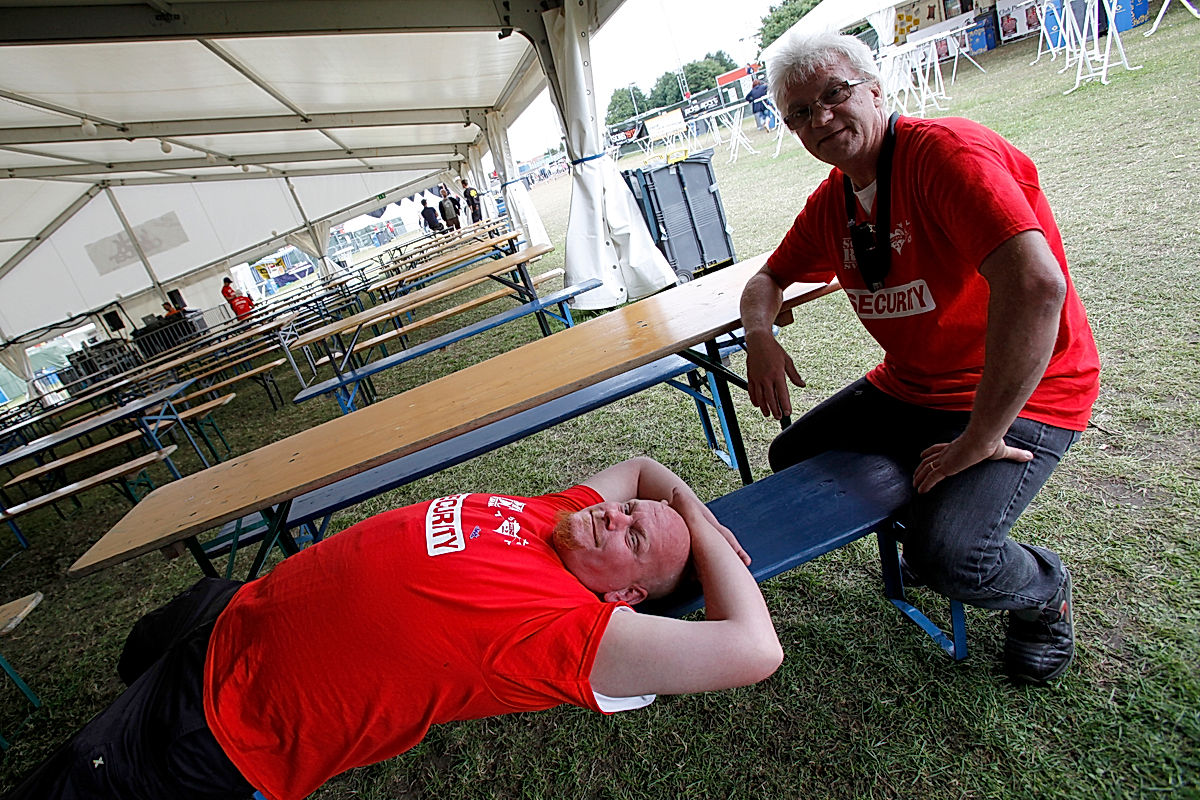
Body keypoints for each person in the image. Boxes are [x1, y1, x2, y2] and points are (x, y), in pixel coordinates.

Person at [3, 457, 781, 800]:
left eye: (632, 537)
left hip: (216, 729)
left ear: (629, 597)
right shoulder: (557, 517)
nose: (612, 513)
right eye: (624, 510)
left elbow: (754, 649)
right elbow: (644, 464)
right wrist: (685, 508)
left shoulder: (569, 633)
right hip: (224, 619)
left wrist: (703, 539)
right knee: (139, 650)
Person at [740, 31, 1100, 686]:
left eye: (834, 94)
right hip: (914, 388)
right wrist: (759, 333)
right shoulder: (837, 200)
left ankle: (1044, 592)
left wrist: (979, 438)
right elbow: (767, 280)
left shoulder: (945, 155)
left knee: (952, 558)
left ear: (877, 91)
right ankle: (928, 516)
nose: (819, 118)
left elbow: (1038, 286)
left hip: (1030, 392)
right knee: (794, 458)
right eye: (798, 112)